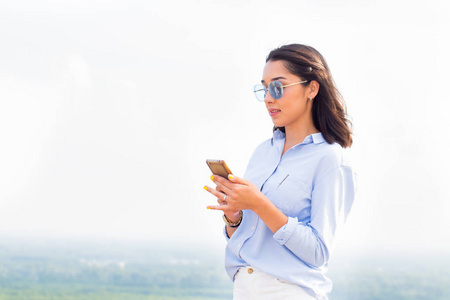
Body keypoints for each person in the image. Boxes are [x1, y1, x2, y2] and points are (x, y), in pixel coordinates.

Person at [203, 43, 356, 300]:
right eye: (264, 89)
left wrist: (261, 204)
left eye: (277, 87)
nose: (268, 98)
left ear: (312, 88)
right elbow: (245, 237)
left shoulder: (331, 159)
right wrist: (233, 216)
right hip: (244, 288)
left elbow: (318, 251)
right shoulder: (263, 152)